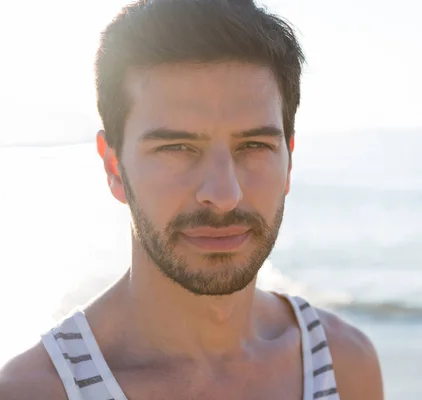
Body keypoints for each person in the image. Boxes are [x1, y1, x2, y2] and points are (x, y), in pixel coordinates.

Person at [0, 0, 384, 399]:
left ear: (288, 161)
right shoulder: (36, 391)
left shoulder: (344, 364)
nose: (223, 195)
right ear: (114, 167)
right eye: (177, 148)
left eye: (254, 145)